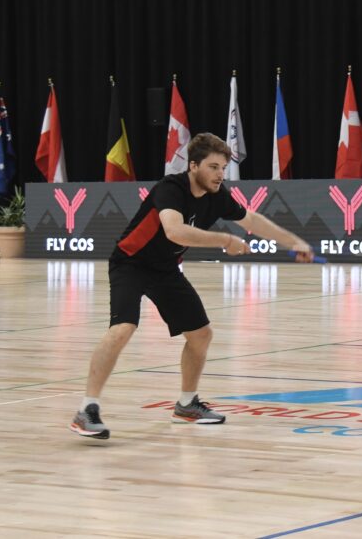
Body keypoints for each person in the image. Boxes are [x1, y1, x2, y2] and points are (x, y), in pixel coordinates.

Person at [70, 133, 314, 439]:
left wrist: (295, 242)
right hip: (130, 263)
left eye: (223, 168)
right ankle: (87, 410)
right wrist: (225, 241)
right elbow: (174, 231)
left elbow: (252, 221)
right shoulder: (170, 188)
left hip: (165, 270)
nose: (219, 174)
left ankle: (186, 405)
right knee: (123, 328)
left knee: (200, 334)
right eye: (213, 167)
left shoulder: (217, 195)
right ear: (194, 165)